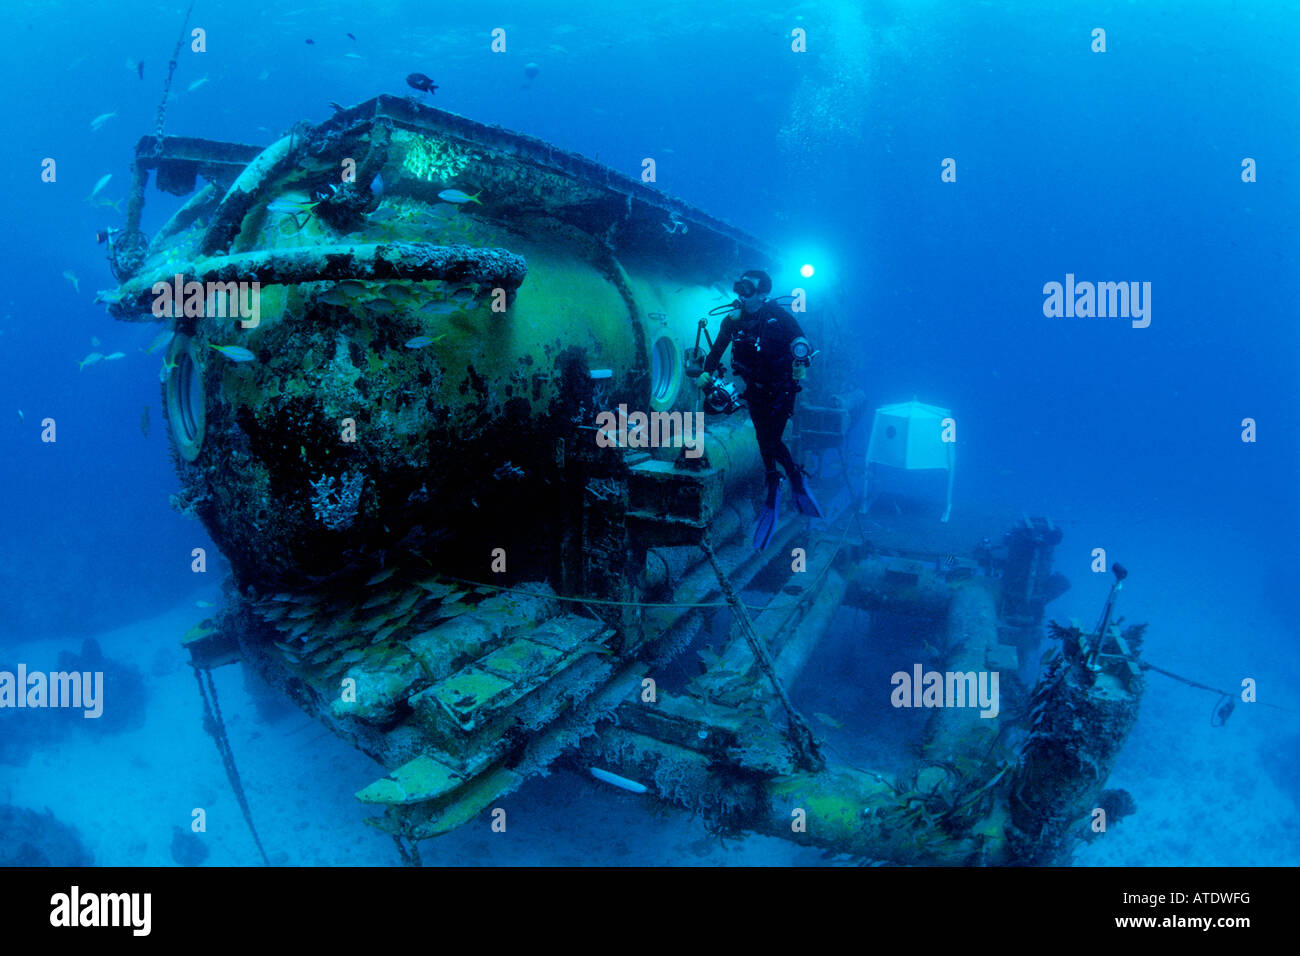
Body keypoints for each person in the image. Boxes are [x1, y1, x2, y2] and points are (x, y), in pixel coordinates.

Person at [696, 269, 822, 549]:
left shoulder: (777, 317)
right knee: (764, 439)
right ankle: (789, 479)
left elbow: (801, 341)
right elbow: (716, 351)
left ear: (763, 294)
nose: (741, 294)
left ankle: (776, 484)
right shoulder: (732, 322)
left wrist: (801, 351)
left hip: (781, 390)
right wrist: (705, 372)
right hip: (754, 389)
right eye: (739, 287)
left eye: (748, 289)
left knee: (770, 439)